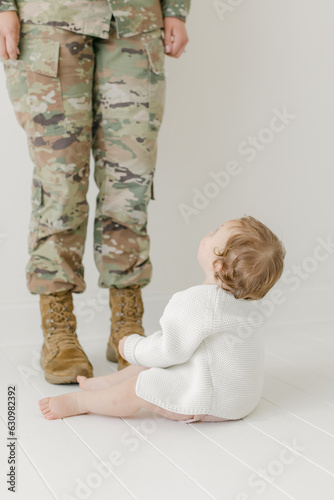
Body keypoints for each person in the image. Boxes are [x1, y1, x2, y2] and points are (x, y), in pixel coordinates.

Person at [0, 0, 191, 380]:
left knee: (130, 182)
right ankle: (58, 329)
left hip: (135, 23)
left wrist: (175, 9)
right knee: (60, 182)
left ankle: (127, 324)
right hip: (50, 21)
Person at [38, 215, 286, 423]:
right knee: (157, 363)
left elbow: (169, 350)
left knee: (142, 384)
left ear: (218, 265)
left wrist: (132, 347)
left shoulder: (200, 302)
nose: (209, 232)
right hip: (240, 399)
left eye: (216, 233)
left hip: (208, 400)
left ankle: (81, 402)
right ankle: (106, 383)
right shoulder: (248, 304)